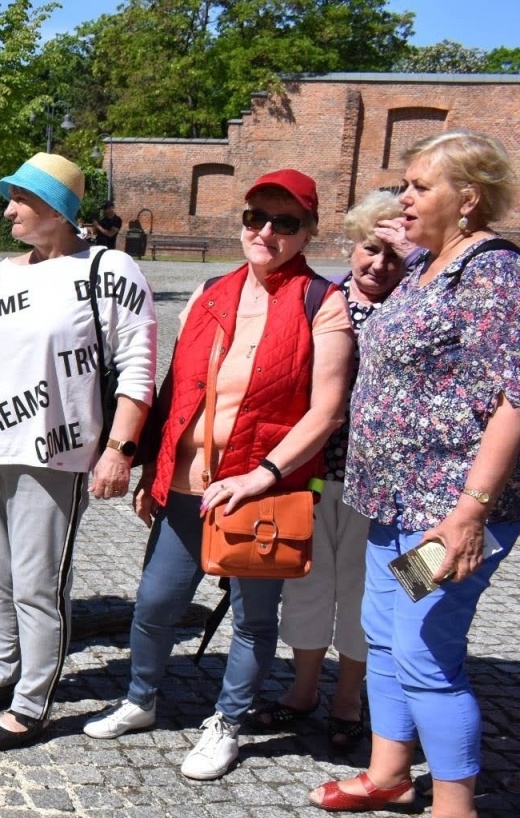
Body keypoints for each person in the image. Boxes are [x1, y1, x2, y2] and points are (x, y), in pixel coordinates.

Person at [82, 168, 352, 781]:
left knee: (253, 619)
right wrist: (153, 466)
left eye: (285, 223)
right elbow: (179, 390)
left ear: (309, 231)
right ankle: (141, 700)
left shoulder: (322, 302)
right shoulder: (211, 289)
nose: (266, 232)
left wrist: (264, 475)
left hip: (261, 490)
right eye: (256, 218)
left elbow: (327, 411)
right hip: (187, 483)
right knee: (155, 604)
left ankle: (227, 723)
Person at [310, 131, 520, 818]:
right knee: (386, 633)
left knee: (428, 650)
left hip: (447, 508)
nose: (405, 197)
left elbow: (514, 400)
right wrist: (403, 243)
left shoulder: (493, 274)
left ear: (468, 198)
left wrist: (470, 511)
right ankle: (389, 773)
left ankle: (457, 817)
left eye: (420, 186)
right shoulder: (430, 266)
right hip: (393, 499)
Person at [0, 154, 156, 748]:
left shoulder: (111, 268)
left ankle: (34, 699)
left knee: (37, 581)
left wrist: (119, 449)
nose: (7, 212)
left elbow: (137, 366)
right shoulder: (1, 275)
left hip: (54, 450)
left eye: (19, 201)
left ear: (56, 208)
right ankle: (3, 672)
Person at [255, 190, 411, 752]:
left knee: (365, 590)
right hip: (314, 473)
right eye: (371, 250)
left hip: (384, 487)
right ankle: (302, 690)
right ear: (352, 244)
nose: (378, 265)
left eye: (395, 256)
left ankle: (348, 697)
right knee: (307, 584)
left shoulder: (414, 309)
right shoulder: (321, 300)